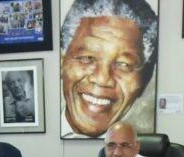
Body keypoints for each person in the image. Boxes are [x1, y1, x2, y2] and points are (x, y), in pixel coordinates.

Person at [60, 0, 159, 138]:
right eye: (87, 58)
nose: (102, 79)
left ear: (145, 80)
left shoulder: (144, 149)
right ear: (62, 62)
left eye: (124, 64)